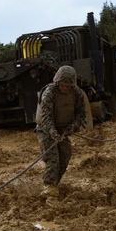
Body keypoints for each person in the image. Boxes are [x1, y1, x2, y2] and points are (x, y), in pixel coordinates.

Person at [35, 65, 87, 197]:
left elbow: (81, 114)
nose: (64, 88)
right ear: (57, 82)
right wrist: (53, 132)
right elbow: (45, 117)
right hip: (46, 130)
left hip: (63, 130)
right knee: (53, 159)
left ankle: (53, 185)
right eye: (62, 85)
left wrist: (73, 126)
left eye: (68, 86)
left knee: (64, 156)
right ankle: (49, 190)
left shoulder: (76, 93)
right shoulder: (49, 93)